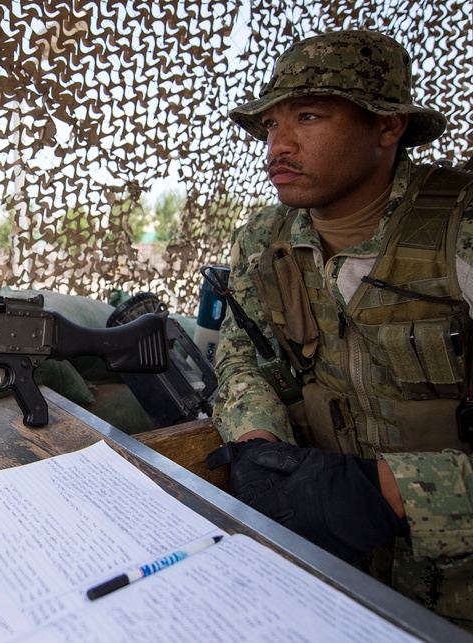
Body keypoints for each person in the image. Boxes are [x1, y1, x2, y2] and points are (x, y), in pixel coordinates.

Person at [209, 29, 473, 629]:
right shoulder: (264, 239)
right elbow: (242, 358)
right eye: (269, 126)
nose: (278, 146)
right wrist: (257, 442)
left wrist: (392, 490)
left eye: (307, 116)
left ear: (388, 126)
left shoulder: (463, 231)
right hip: (331, 581)